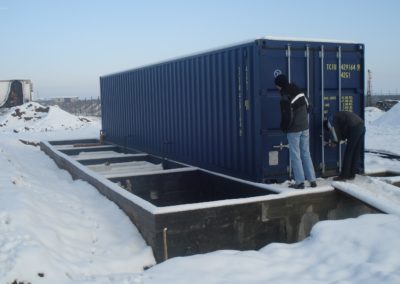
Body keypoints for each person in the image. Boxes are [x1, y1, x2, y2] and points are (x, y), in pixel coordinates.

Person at [275, 74, 317, 189]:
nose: (276, 88)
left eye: (277, 86)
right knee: (306, 153)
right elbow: (310, 106)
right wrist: (302, 117)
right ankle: (312, 180)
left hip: (294, 129)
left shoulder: (285, 96)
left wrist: (284, 127)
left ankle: (300, 182)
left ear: (280, 85)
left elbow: (287, 116)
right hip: (305, 127)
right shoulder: (300, 91)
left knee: (295, 155)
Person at [324, 111, 365, 181]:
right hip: (362, 126)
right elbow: (341, 133)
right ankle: (352, 175)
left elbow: (335, 133)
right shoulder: (337, 116)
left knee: (348, 153)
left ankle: (343, 176)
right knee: (355, 153)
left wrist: (334, 142)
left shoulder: (330, 121)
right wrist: (338, 141)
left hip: (355, 127)